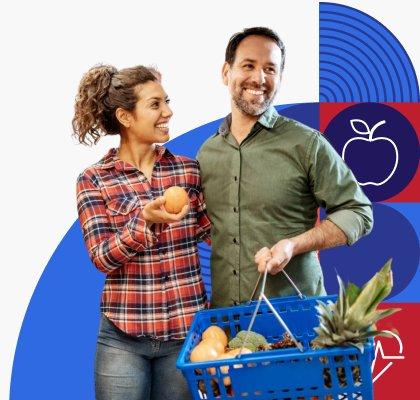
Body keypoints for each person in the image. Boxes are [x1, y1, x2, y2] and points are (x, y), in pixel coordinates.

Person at [197, 27, 373, 308]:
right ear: (225, 72)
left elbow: (359, 212)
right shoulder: (207, 153)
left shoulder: (306, 144)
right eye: (249, 66)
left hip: (297, 317)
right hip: (226, 323)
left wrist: (294, 245)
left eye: (270, 69)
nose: (259, 78)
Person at [73, 64, 210, 400]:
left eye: (167, 102)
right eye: (155, 105)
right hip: (123, 338)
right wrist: (143, 222)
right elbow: (102, 257)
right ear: (126, 116)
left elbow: (215, 234)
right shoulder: (95, 179)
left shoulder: (188, 171)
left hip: (185, 334)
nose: (168, 112)